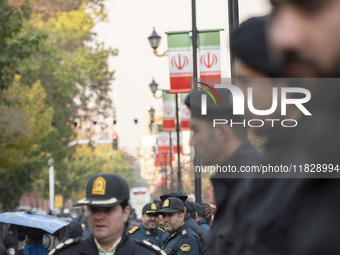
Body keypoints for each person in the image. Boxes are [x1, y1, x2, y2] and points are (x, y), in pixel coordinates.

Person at [49, 174, 166, 255]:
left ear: (125, 213)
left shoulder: (146, 253)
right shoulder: (67, 252)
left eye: (108, 210)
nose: (99, 217)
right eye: (93, 209)